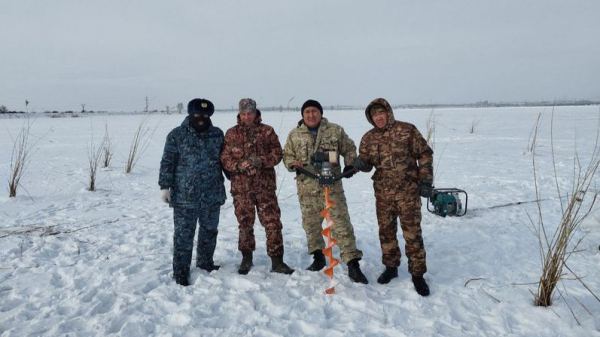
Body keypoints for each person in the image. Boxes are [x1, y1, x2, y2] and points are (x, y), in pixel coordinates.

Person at [283, 99, 368, 284]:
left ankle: (353, 264)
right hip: (307, 190)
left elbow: (350, 149)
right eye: (307, 112)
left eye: (314, 111)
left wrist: (351, 165)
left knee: (342, 225)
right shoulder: (294, 135)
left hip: (333, 187)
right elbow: (287, 155)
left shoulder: (335, 130)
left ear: (320, 113)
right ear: (302, 115)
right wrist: (293, 163)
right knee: (311, 226)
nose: (311, 115)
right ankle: (318, 257)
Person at [354, 97, 433, 296]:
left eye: (381, 113)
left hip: (408, 192)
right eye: (374, 115)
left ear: (388, 113)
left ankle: (418, 274)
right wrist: (361, 164)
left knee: (412, 233)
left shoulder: (407, 130)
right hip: (383, 194)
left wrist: (425, 180)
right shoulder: (368, 138)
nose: (378, 118)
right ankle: (391, 267)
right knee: (386, 232)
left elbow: (424, 153)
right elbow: (366, 162)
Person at [221, 98, 294, 275]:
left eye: (250, 113)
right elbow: (224, 158)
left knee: (272, 223)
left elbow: (278, 154)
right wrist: (238, 165)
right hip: (241, 189)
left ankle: (277, 260)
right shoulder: (231, 133)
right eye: (244, 114)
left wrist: (261, 161)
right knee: (245, 224)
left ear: (256, 113)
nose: (247, 117)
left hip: (265, 188)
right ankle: (246, 258)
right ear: (239, 114)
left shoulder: (267, 131)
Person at [158, 98, 227, 286]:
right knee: (183, 235)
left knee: (209, 231)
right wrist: (165, 186)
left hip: (212, 195)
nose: (201, 118)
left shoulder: (217, 134)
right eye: (197, 115)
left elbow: (225, 161)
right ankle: (180, 271)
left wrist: (237, 177)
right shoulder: (176, 135)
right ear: (190, 114)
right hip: (184, 197)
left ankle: (205, 263)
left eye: (205, 115)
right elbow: (167, 162)